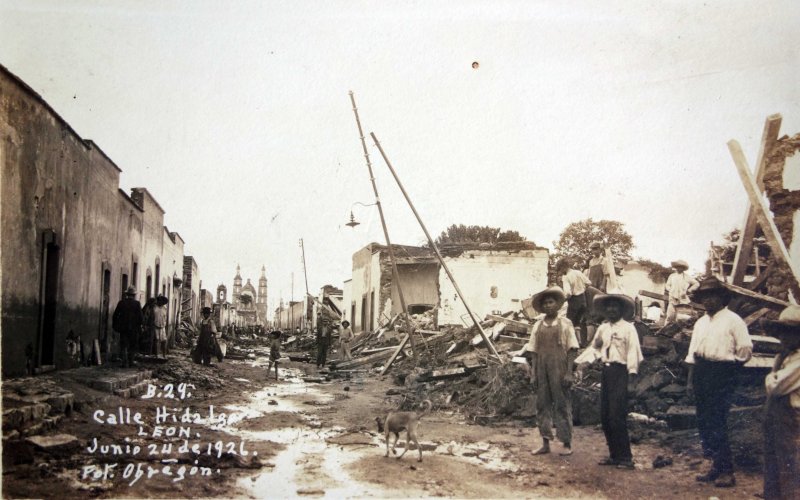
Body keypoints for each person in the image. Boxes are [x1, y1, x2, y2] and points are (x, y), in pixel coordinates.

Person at [685, 277, 753, 488]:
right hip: (701, 372)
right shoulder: (700, 322)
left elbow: (745, 349)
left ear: (722, 298)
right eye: (705, 297)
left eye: (713, 296)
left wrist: (730, 372)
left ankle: (727, 471)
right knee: (704, 421)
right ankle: (715, 466)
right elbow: (692, 354)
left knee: (718, 421)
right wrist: (690, 382)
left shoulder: (733, 320)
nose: (709, 301)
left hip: (722, 373)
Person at [582, 292, 642, 470]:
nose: (611, 309)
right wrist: (581, 363)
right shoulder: (603, 328)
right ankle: (614, 455)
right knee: (606, 416)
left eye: (615, 306)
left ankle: (625, 457)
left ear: (622, 309)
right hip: (606, 372)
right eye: (608, 307)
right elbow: (594, 348)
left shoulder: (629, 328)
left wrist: (631, 377)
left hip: (621, 372)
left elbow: (634, 353)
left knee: (617, 415)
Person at [520, 287, 580, 456]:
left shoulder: (565, 324)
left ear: (557, 304)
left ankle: (566, 443)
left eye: (551, 302)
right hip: (541, 368)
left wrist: (569, 373)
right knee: (542, 405)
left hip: (559, 368)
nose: (548, 306)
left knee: (562, 404)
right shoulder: (538, 325)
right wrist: (533, 373)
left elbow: (573, 349)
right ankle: (545, 442)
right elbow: (533, 350)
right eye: (545, 303)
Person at [761, 305, 800, 499]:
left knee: (789, 466)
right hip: (779, 418)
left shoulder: (798, 360)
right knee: (775, 463)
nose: (784, 338)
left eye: (790, 333)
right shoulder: (786, 357)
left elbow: (776, 386)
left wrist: (771, 374)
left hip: (792, 420)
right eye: (782, 333)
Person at [559, 258, 592, 346]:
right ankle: (579, 342)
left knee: (568, 322)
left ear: (563, 267)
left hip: (574, 301)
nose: (560, 271)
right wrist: (582, 289)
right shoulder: (578, 272)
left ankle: (570, 344)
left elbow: (568, 293)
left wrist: (562, 300)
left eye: (560, 269)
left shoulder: (566, 277)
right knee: (577, 322)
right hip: (583, 300)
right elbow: (589, 283)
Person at [112, 286, 144, 368]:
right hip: (134, 329)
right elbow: (141, 317)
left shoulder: (121, 303)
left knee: (124, 345)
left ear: (127, 294)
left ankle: (124, 362)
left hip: (123, 328)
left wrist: (115, 325)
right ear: (134, 295)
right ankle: (131, 362)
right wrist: (139, 325)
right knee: (132, 345)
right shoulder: (137, 304)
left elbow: (115, 315)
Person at [664, 260, 699, 324]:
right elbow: (667, 285)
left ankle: (680, 331)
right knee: (670, 316)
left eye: (681, 267)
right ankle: (664, 332)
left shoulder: (687, 277)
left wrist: (689, 290)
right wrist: (670, 290)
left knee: (681, 318)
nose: (679, 268)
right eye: (677, 267)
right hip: (672, 298)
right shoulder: (672, 276)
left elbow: (697, 283)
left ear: (683, 268)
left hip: (682, 300)